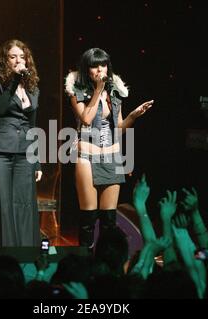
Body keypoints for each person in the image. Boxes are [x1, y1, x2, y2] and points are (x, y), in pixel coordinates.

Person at [65, 48, 154, 248]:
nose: (99, 70)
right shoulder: (77, 92)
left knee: (109, 220)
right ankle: (86, 262)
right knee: (89, 216)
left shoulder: (114, 92)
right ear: (86, 70)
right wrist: (97, 91)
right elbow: (87, 119)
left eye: (103, 65)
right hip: (87, 155)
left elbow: (119, 129)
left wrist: (134, 115)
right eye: (94, 66)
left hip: (111, 156)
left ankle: (105, 265)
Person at [0, 39, 43, 248]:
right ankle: (2, 257)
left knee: (24, 205)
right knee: (3, 205)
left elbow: (33, 124)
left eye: (22, 56)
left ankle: (24, 254)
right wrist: (15, 81)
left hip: (25, 152)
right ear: (5, 60)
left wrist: (37, 162)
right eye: (12, 56)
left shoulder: (33, 87)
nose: (18, 60)